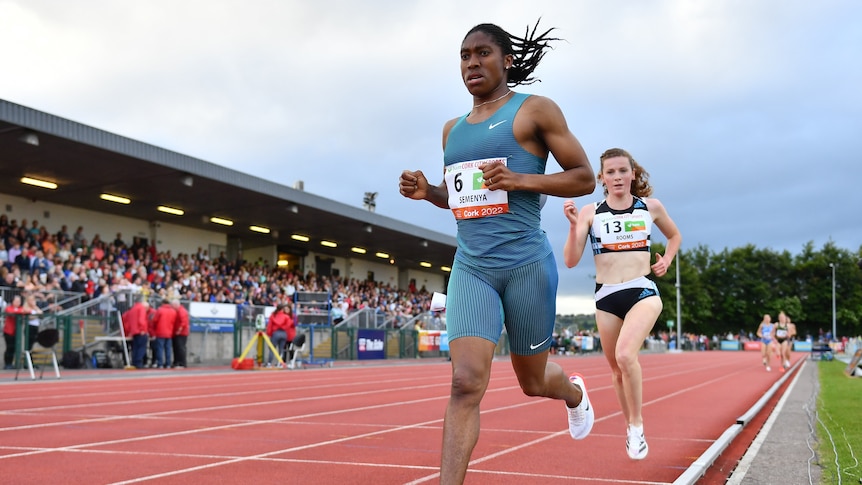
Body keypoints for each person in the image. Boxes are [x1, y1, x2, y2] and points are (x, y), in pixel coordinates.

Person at [398, 20, 596, 484]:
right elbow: (461, 195)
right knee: (465, 382)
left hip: (526, 263)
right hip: (472, 267)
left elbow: (585, 177)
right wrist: (429, 191)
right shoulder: (452, 131)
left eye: (483, 53)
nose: (472, 63)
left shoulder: (535, 111)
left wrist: (522, 179)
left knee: (533, 382)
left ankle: (572, 394)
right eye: (465, 56)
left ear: (506, 59)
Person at [562, 147, 682, 460]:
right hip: (606, 297)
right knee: (616, 371)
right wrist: (575, 226)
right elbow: (571, 261)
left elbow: (674, 236)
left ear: (633, 174)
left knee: (626, 355)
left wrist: (667, 259)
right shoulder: (591, 212)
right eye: (610, 172)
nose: (617, 177)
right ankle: (629, 425)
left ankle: (638, 426)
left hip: (642, 289)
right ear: (602, 177)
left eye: (622, 171)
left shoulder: (650, 207)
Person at [123, 299, 150, 369]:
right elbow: (141, 320)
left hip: (134, 331)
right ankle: (138, 362)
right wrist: (142, 329)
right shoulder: (141, 309)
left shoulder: (132, 309)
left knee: (135, 348)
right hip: (140, 331)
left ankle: (134, 362)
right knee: (142, 347)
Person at [151, 299, 177, 369]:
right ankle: (168, 363)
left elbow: (155, 320)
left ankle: (160, 364)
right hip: (169, 332)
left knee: (160, 349)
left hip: (160, 332)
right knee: (168, 349)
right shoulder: (173, 311)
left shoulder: (159, 310)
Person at [2, 295, 25, 369]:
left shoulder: (20, 308)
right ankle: (7, 363)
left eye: (19, 301)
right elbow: (10, 311)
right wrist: (19, 311)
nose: (18, 303)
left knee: (15, 348)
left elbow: (25, 311)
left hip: (16, 332)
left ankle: (13, 363)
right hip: (8, 331)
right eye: (16, 301)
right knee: (9, 347)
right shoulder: (9, 308)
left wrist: (20, 311)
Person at [171, 299, 190, 368]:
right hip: (178, 332)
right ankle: (177, 362)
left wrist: (179, 330)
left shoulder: (181, 311)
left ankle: (182, 363)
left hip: (181, 333)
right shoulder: (179, 311)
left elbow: (183, 322)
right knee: (177, 348)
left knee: (180, 347)